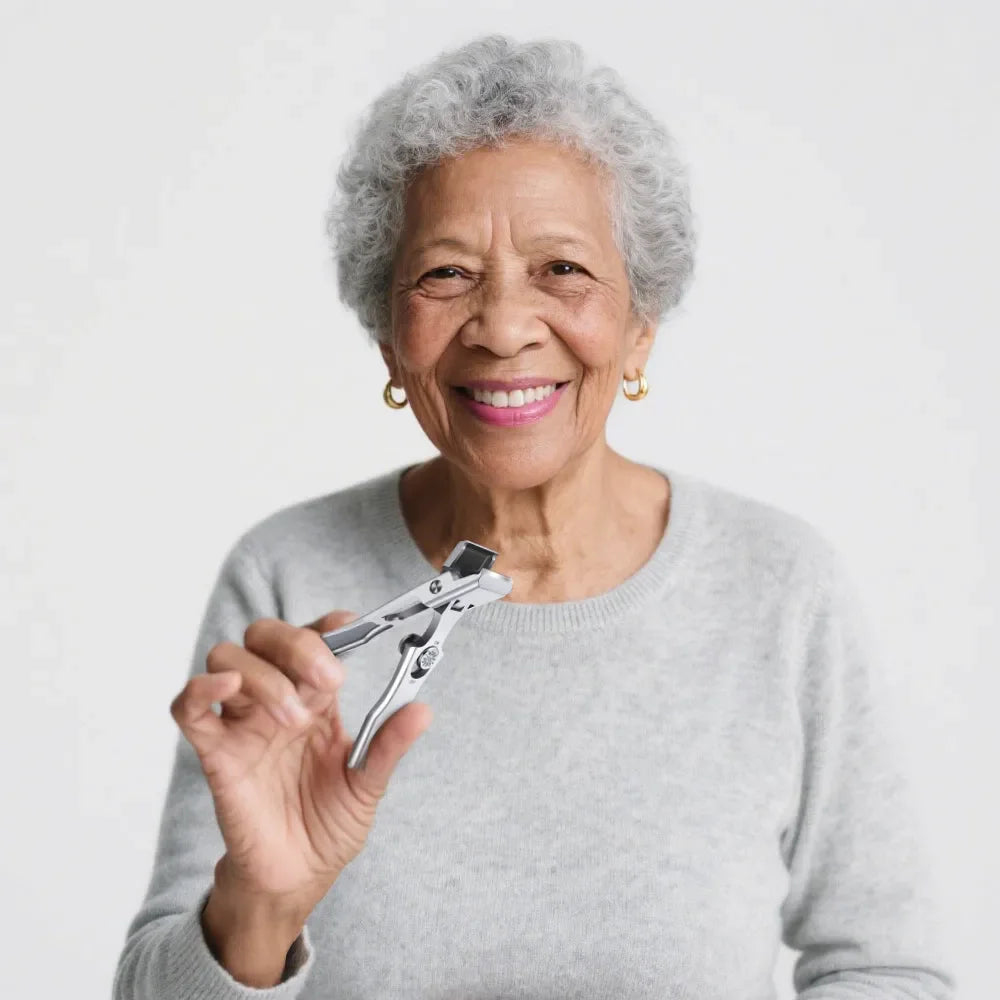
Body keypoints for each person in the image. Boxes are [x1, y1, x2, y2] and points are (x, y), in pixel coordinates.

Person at [113, 34, 955, 999]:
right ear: (390, 340)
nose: (505, 328)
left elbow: (892, 971)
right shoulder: (288, 578)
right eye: (445, 274)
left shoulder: (779, 586)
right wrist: (259, 906)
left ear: (640, 326)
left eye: (562, 269)